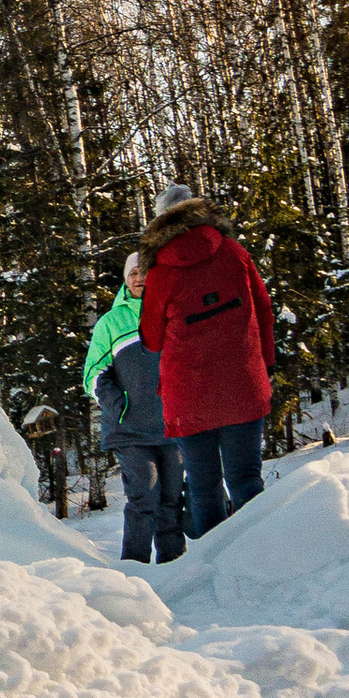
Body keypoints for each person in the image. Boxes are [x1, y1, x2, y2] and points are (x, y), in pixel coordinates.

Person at [138, 181, 277, 539]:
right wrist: (266, 362)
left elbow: (151, 340)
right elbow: (263, 308)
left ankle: (213, 575)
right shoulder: (233, 251)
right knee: (246, 479)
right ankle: (265, 561)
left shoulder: (160, 273)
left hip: (189, 396)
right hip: (242, 384)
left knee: (203, 489)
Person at [84, 249, 185, 565]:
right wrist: (118, 405)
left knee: (171, 499)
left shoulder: (172, 313)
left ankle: (174, 566)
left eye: (145, 272)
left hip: (172, 426)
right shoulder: (111, 323)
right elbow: (93, 374)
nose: (139, 278)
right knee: (145, 496)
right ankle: (135, 568)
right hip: (130, 430)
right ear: (125, 280)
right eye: (133, 273)